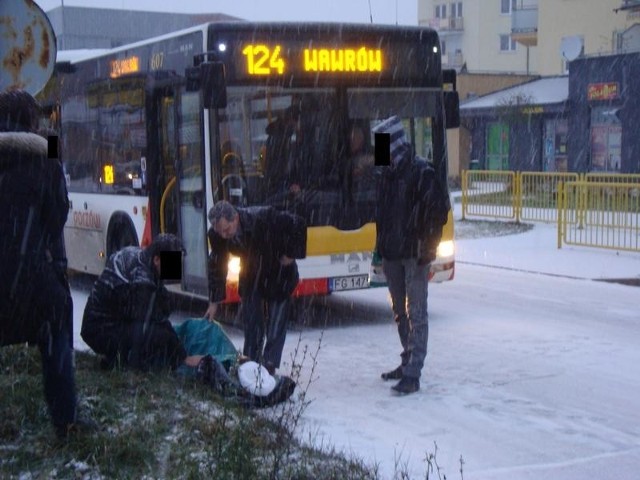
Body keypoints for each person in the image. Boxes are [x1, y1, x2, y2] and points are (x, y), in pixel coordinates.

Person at [0, 90, 79, 438]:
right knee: (58, 324)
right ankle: (65, 418)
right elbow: (58, 214)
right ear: (32, 121)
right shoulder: (45, 153)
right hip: (30, 274)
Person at [373, 115, 450, 395]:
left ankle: (414, 373)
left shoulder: (421, 172)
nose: (379, 152)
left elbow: (439, 212)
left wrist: (427, 248)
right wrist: (380, 249)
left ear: (395, 144)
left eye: (382, 144)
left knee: (416, 313)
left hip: (415, 254)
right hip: (392, 253)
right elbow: (380, 212)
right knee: (399, 312)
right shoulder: (385, 173)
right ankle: (407, 361)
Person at [204, 200, 307, 375]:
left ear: (236, 217)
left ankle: (269, 366)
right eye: (219, 231)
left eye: (227, 229)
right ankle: (251, 362)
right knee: (252, 322)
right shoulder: (217, 235)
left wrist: (291, 254)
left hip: (279, 271)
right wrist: (214, 302)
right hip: (252, 273)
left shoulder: (263, 217)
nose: (224, 235)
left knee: (276, 324)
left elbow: (298, 223)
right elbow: (217, 264)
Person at [81, 233, 203, 371]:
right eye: (174, 262)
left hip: (98, 325)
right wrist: (183, 357)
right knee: (158, 335)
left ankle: (118, 356)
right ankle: (118, 362)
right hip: (100, 331)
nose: (177, 268)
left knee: (160, 319)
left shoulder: (140, 257)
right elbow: (147, 323)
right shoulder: (142, 282)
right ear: (157, 260)